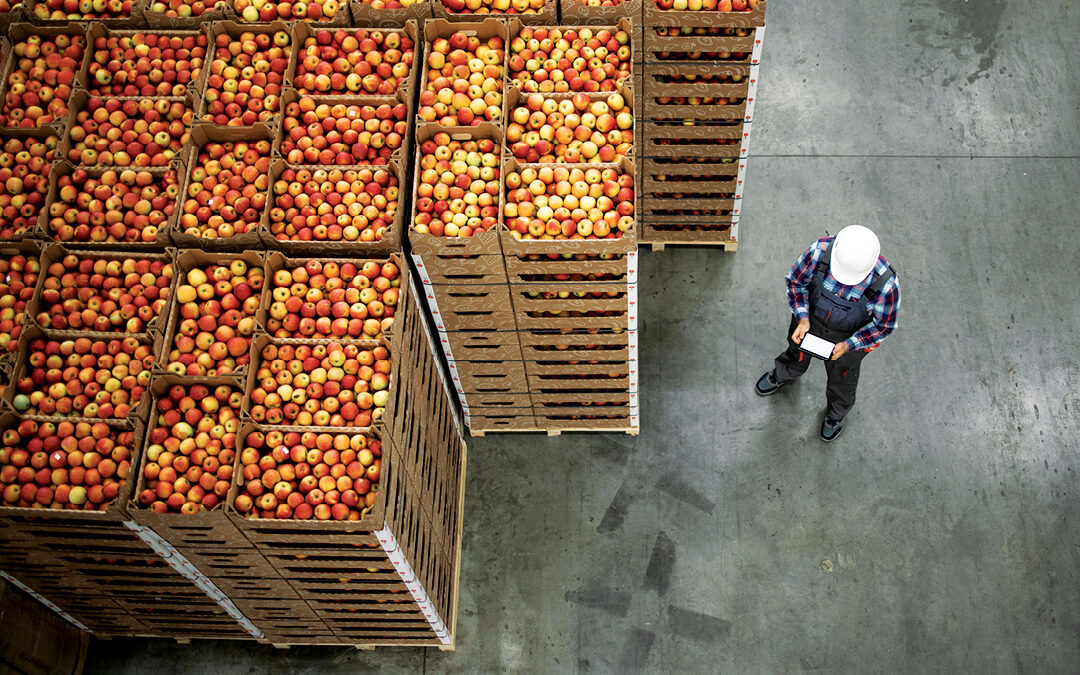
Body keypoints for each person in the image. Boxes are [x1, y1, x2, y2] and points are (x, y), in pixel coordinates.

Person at [755, 225, 901, 442]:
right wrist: (802, 317)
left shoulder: (886, 285)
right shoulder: (819, 251)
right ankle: (785, 372)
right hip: (809, 322)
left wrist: (849, 345)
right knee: (796, 352)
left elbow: (882, 327)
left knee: (843, 378)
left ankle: (835, 414)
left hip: (848, 341)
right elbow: (796, 282)